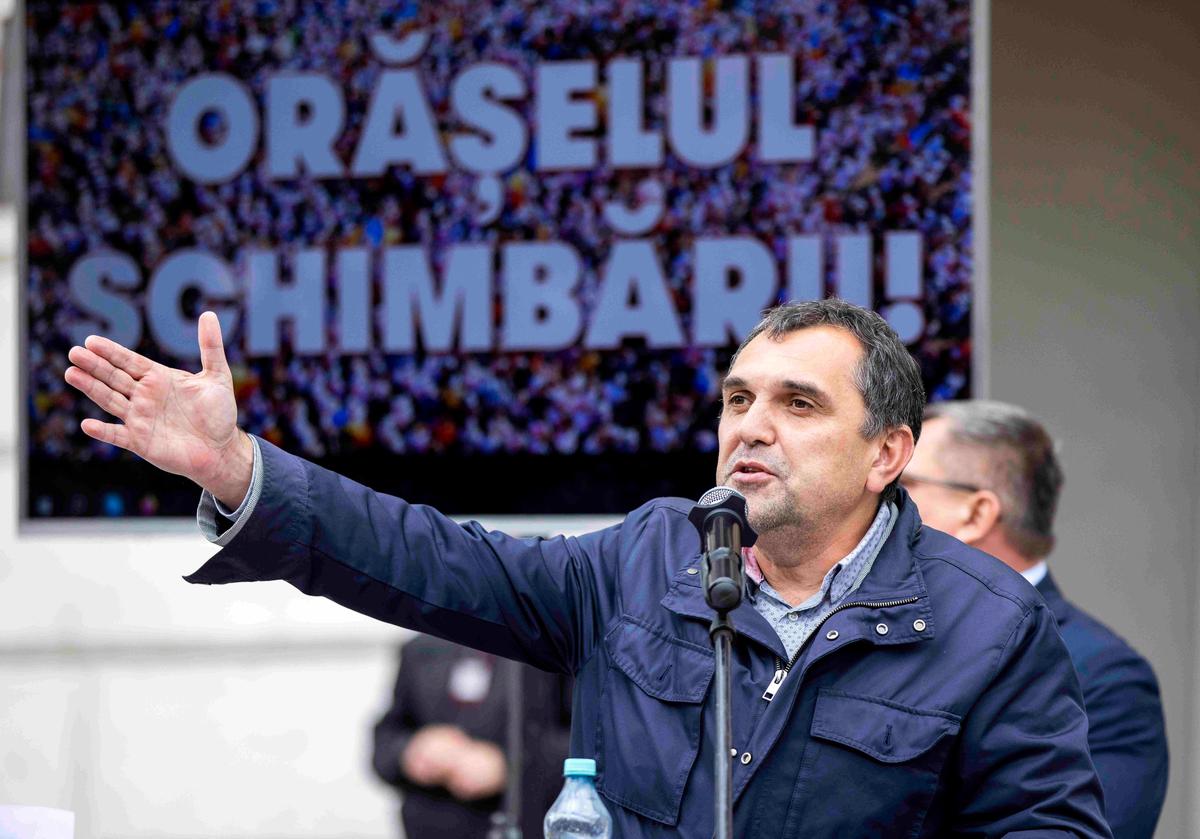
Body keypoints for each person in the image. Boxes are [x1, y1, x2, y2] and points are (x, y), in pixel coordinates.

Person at [63, 300, 1112, 837]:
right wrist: (242, 469)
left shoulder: (987, 626)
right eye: (737, 399)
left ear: (889, 452)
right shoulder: (647, 556)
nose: (752, 426)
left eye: (799, 403)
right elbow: (428, 555)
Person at [901, 399, 1169, 838]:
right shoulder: (869, 629)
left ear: (976, 513)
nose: (880, 504)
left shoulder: (1109, 678)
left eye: (904, 484)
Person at [371, 634, 572, 839]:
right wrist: (411, 750)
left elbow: (590, 745)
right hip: (431, 824)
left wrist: (509, 767)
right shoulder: (421, 647)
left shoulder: (555, 649)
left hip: (521, 822)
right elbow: (385, 742)